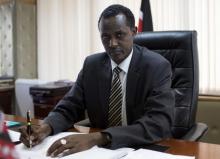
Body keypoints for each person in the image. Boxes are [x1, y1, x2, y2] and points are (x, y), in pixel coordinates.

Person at [19, 4, 175, 157]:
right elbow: (69, 106)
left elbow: (158, 122)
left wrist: (98, 137)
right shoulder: (92, 66)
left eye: (119, 35)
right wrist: (45, 128)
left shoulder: (156, 67)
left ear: (134, 32)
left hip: (143, 149)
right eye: (105, 37)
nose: (112, 44)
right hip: (100, 152)